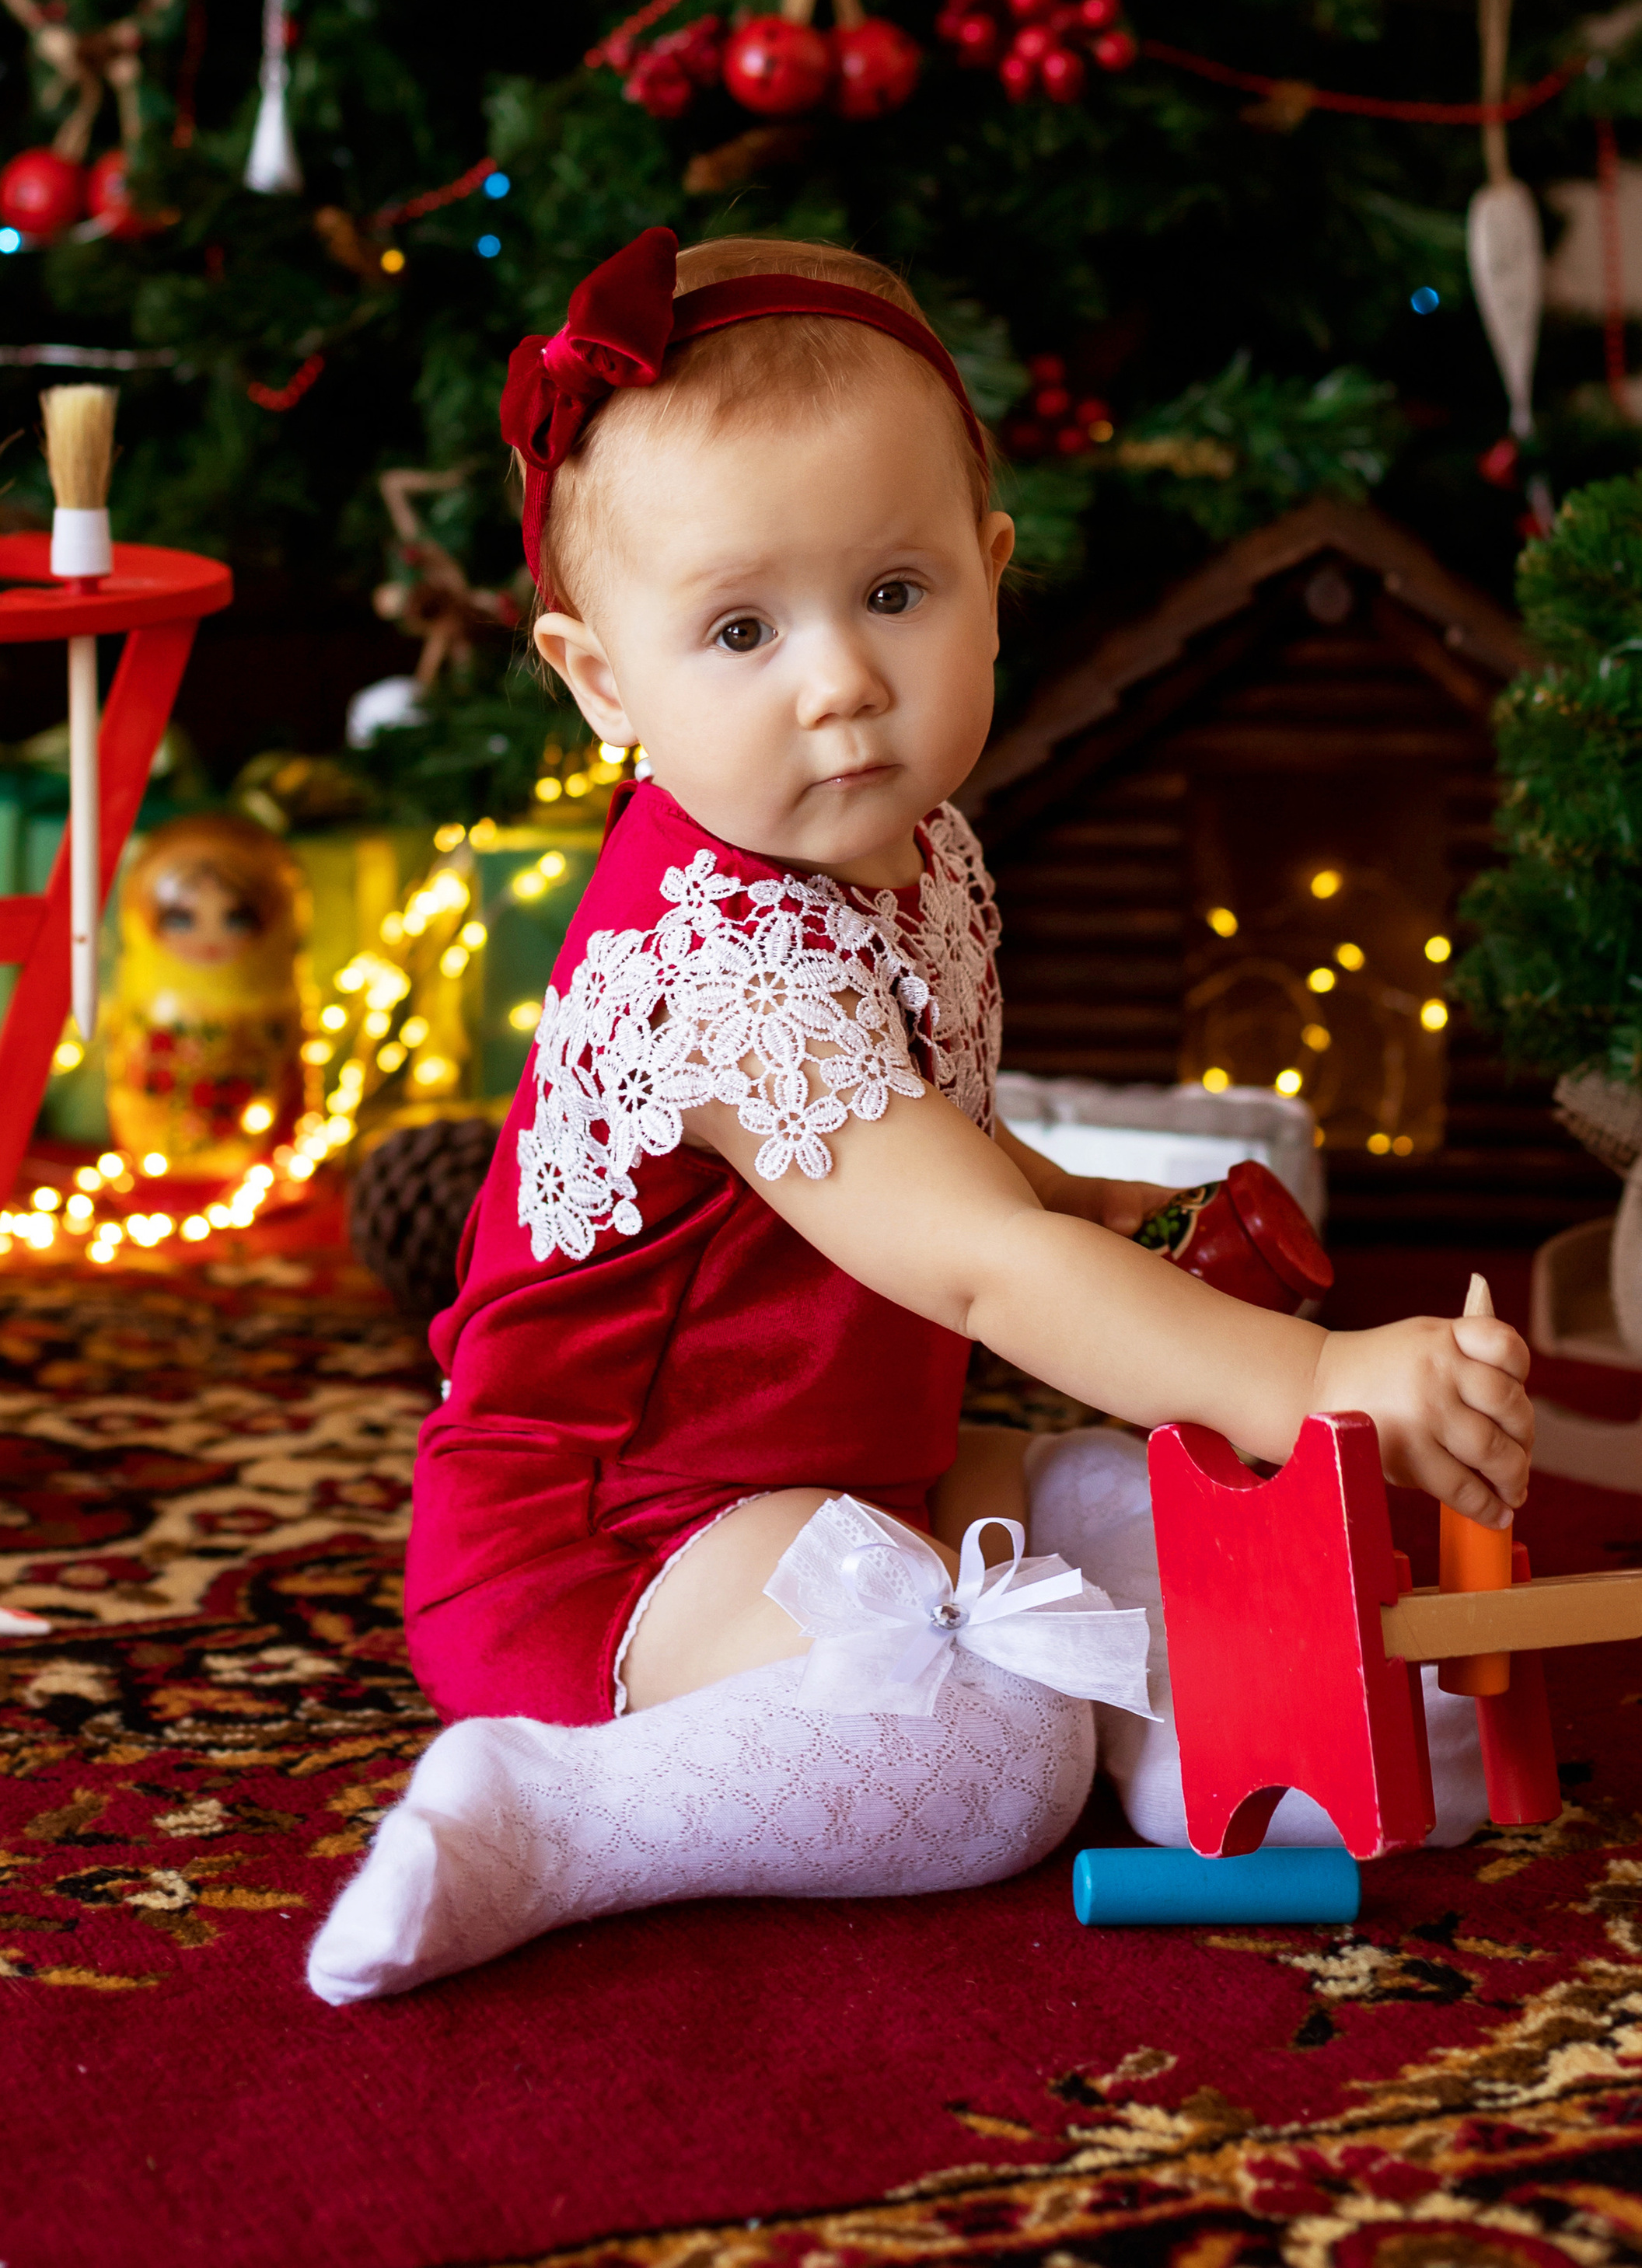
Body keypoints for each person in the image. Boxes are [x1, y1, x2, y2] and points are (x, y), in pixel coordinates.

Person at [308, 229, 1528, 2005]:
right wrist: (1315, 1384)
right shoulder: (714, 966)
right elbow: (976, 1274)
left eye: (893, 594)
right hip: (611, 1535)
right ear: (599, 683)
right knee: (978, 1745)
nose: (839, 681)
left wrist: (1058, 1189)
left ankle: (1225, 1746)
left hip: (826, 1456)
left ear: (989, 573)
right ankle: (554, 1810)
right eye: (739, 629)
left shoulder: (912, 851)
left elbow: (912, 1154)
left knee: (1124, 1497)